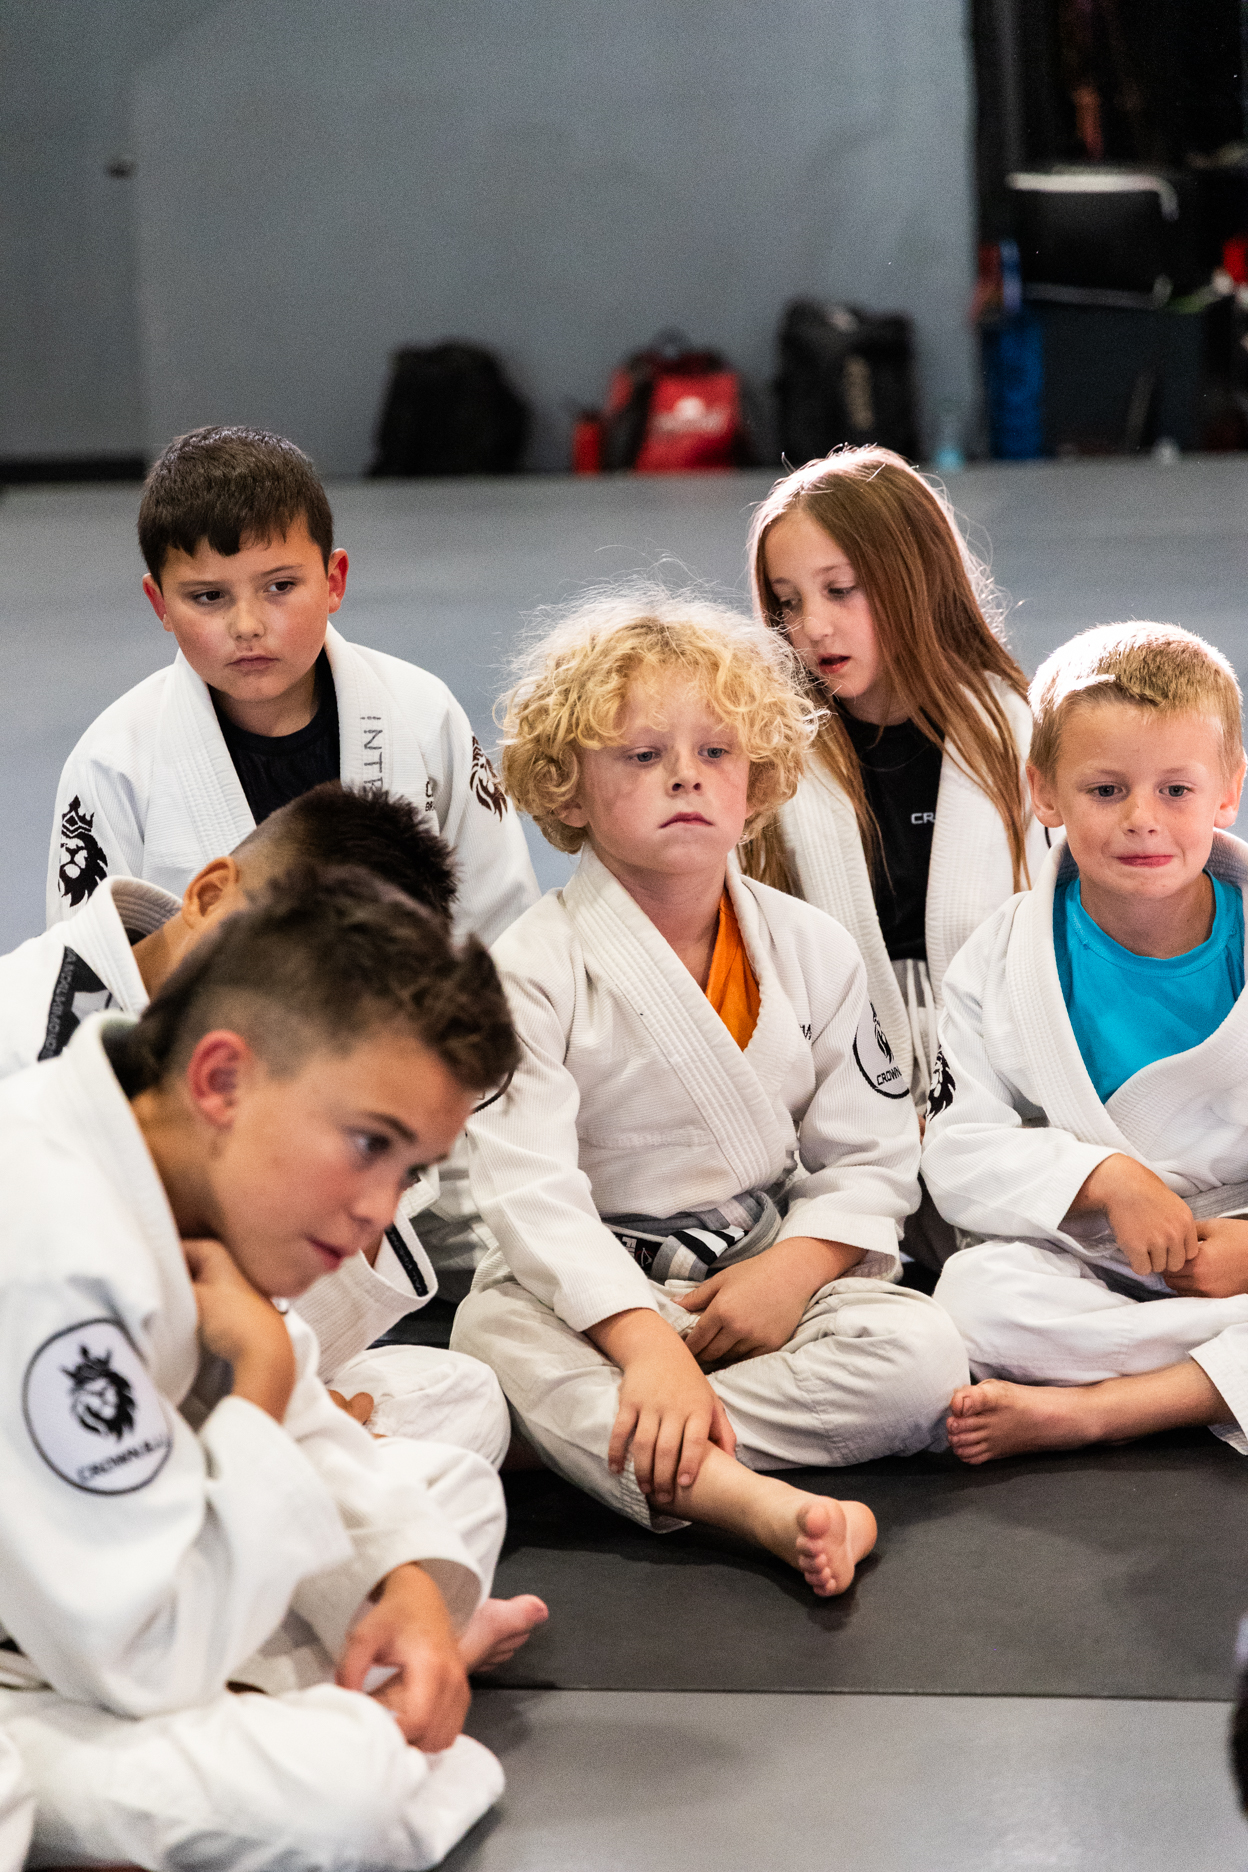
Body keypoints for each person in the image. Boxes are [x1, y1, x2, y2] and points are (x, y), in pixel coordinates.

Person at [0, 869, 548, 1872]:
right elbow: (148, 1662)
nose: (382, 1207)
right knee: (343, 1788)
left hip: (97, 1595)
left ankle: (338, 1691)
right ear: (221, 1079)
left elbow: (311, 1421)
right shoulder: (53, 1240)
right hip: (41, 1683)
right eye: (368, 1145)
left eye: (410, 1169)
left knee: (443, 1498)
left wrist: (405, 1590)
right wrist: (250, 1378)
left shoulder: (147, 1141)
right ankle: (343, 1734)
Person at [450, 590, 969, 1596]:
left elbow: (868, 1154)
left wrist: (798, 1269)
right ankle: (745, 1495)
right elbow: (528, 1193)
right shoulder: (531, 964)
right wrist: (644, 1343)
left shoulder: (809, 947)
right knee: (491, 1334)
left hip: (761, 1277)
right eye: (642, 757)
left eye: (717, 753)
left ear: (759, 779)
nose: (686, 776)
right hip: (602, 1293)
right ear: (565, 789)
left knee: (924, 1352)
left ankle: (609, 1440)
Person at [10, 781, 511, 1466]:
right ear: (209, 893)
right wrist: (268, 1392)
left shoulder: (308, 1072)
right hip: (81, 1388)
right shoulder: (25, 1032)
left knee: (462, 1390)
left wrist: (293, 1390)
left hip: (219, 1356)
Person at [925, 622, 1248, 1464]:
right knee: (974, 1296)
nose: (1142, 820)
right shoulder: (999, 960)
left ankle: (1103, 1409)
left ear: (1229, 789)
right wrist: (1102, 1179)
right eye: (1106, 790)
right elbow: (959, 1152)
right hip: (1082, 1259)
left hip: (1235, 1255)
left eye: (1176, 790)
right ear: (1045, 793)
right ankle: (1206, 1381)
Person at [46, 425, 538, 950]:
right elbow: (88, 976)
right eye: (209, 596)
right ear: (160, 603)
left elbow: (503, 930)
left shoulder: (422, 715)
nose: (248, 625)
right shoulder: (113, 764)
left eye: (280, 586)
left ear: (334, 582)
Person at [742, 449, 1048, 1148]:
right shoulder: (769, 755)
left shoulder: (1021, 738)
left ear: (916, 579)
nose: (812, 627)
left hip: (1005, 1089)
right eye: (787, 603)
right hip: (825, 1099)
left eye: (840, 589)